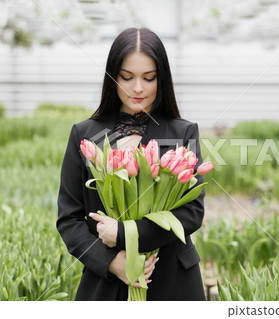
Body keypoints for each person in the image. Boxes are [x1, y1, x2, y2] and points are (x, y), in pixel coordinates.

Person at [56, 27, 206, 301]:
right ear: (112, 77)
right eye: (127, 77)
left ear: (162, 79)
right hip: (106, 281)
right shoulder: (84, 134)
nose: (138, 88)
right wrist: (112, 263)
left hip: (173, 280)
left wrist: (126, 234)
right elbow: (70, 219)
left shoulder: (183, 133)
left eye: (149, 78)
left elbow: (192, 212)